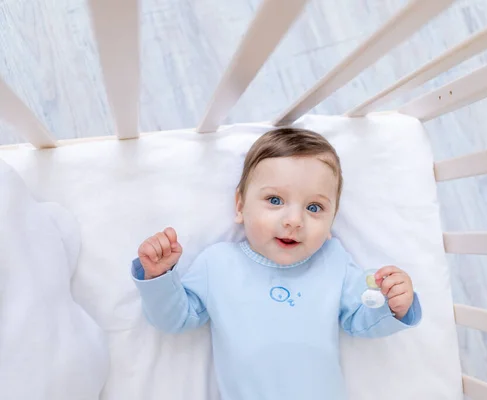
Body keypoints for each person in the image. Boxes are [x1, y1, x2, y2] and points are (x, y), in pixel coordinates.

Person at [131, 128, 422, 400]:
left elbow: (361, 320)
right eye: (274, 200)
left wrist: (393, 303)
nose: (294, 220)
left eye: (314, 208)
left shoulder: (333, 261)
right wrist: (159, 277)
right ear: (241, 206)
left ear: (332, 220)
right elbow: (175, 319)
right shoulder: (218, 263)